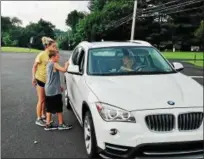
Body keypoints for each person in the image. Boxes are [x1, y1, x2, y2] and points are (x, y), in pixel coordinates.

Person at [32, 36, 57, 126]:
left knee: (45, 100)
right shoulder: (42, 54)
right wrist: (33, 77)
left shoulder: (51, 55)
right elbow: (34, 66)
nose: (55, 48)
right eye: (53, 46)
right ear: (47, 46)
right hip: (40, 79)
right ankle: (38, 119)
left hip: (48, 81)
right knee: (41, 99)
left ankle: (43, 116)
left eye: (55, 46)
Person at [44, 51, 72, 131]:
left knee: (49, 107)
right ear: (53, 57)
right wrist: (66, 64)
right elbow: (63, 70)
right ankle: (61, 124)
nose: (58, 58)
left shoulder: (48, 64)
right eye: (57, 56)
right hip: (54, 90)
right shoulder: (54, 64)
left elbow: (51, 77)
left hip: (48, 89)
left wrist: (58, 86)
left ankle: (48, 124)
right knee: (59, 108)